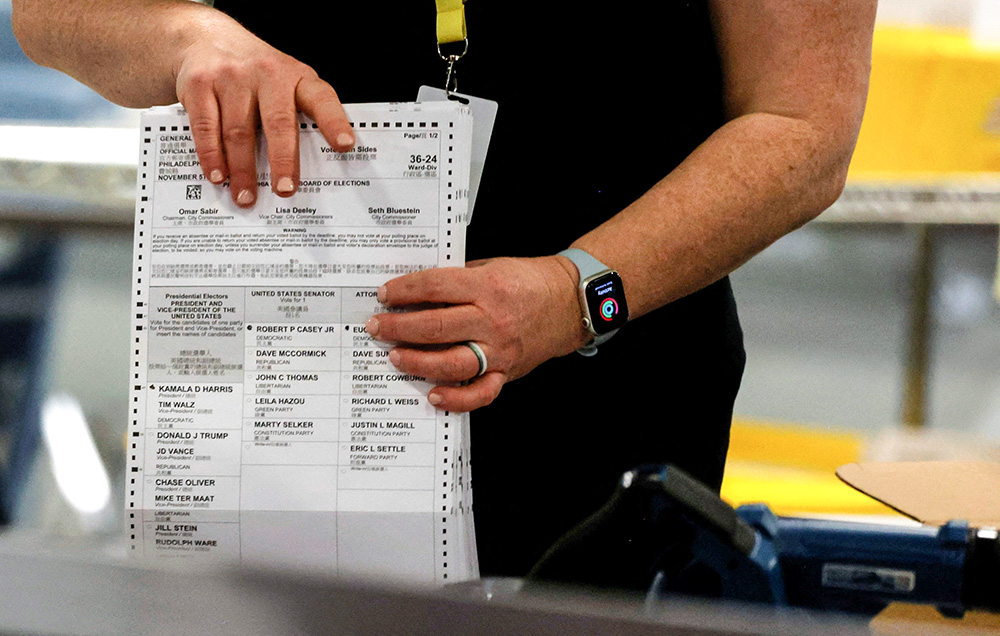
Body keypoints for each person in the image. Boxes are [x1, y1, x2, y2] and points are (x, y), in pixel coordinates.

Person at [12, 0, 877, 578]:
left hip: (604, 419)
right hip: (282, 406)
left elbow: (806, 126)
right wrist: (182, 37)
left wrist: (576, 293)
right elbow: (53, 13)